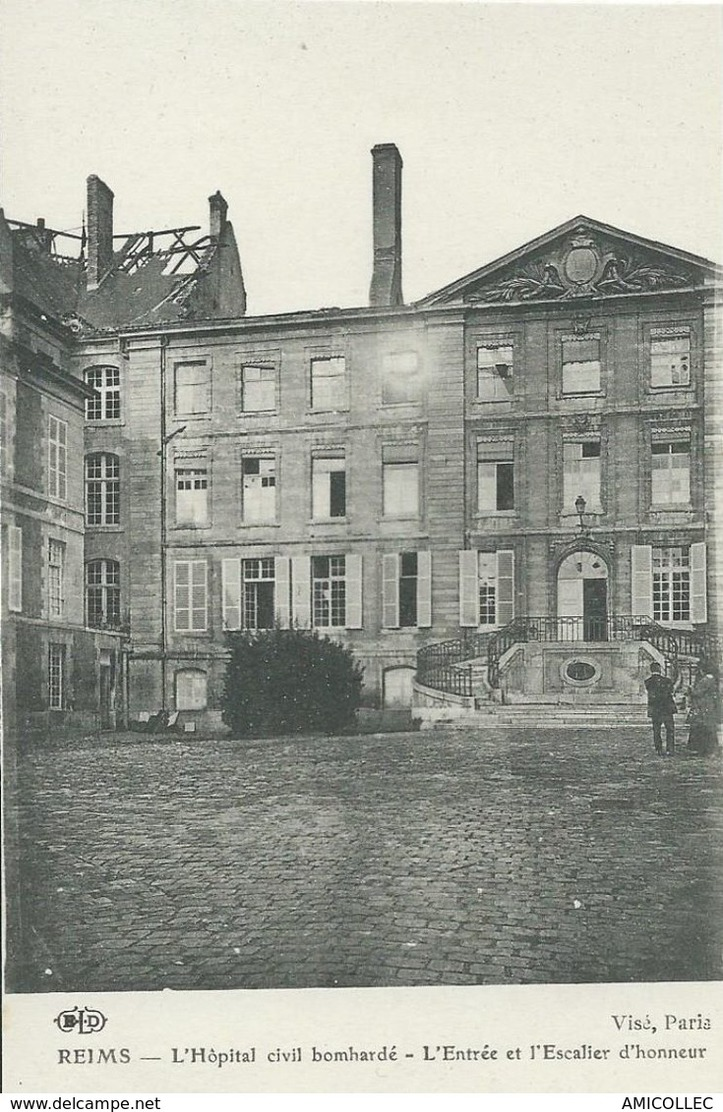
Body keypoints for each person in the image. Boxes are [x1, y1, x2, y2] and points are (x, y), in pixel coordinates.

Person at [644, 661, 677, 757]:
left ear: (651, 670)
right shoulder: (667, 681)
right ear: (659, 669)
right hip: (666, 709)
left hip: (656, 709)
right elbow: (671, 691)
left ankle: (658, 749)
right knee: (670, 730)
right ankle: (670, 749)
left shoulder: (648, 682)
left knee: (656, 730)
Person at [687, 665, 720, 757]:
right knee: (710, 728)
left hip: (703, 706)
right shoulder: (713, 680)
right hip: (710, 706)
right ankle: (711, 750)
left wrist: (690, 689)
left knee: (702, 728)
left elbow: (697, 693)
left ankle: (704, 749)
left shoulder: (704, 680)